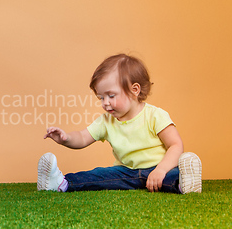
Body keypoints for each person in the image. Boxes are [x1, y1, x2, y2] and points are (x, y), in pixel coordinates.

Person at [38, 53, 202, 194]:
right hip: (125, 172)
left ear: (134, 90)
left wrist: (161, 170)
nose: (105, 103)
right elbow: (82, 137)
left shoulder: (155, 115)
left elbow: (175, 145)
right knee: (100, 175)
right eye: (101, 97)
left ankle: (184, 183)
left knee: (172, 176)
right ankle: (61, 182)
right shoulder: (105, 121)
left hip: (159, 168)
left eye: (111, 96)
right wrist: (65, 138)